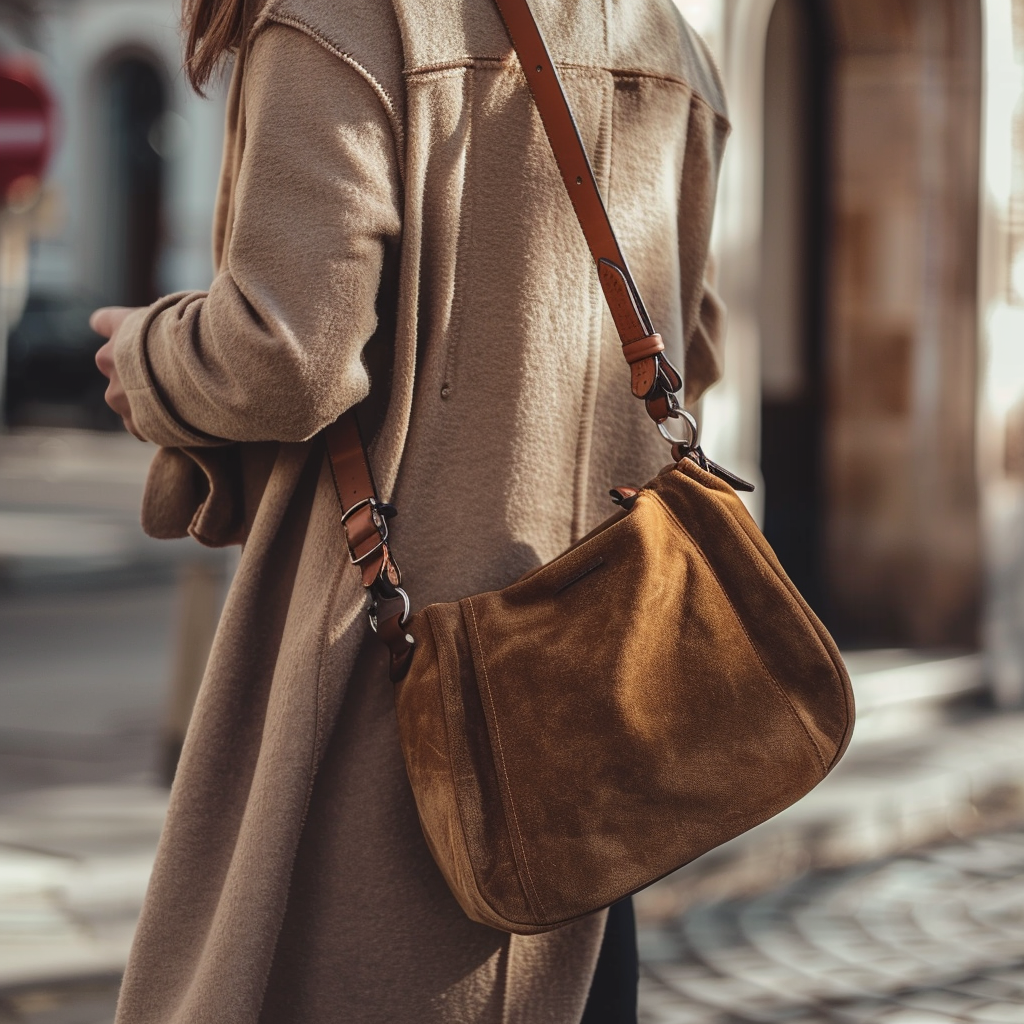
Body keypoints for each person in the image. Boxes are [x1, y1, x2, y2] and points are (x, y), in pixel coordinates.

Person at [91, 0, 729, 1019]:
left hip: (386, 684)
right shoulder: (671, 44)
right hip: (594, 725)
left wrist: (147, 353)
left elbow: (285, 358)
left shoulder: (342, 20)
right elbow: (690, 340)